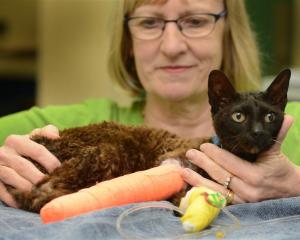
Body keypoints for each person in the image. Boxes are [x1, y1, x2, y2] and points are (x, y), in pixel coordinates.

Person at [1, 0, 300, 238]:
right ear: (128, 41)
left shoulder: (293, 124)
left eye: (195, 21)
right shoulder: (62, 120)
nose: (172, 47)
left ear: (229, 32)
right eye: (150, 22)